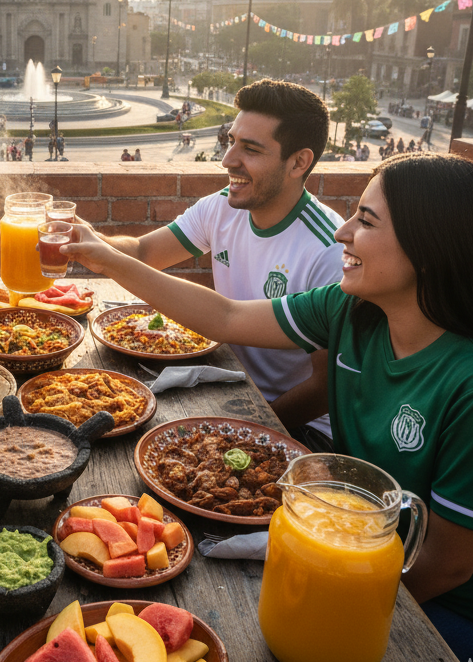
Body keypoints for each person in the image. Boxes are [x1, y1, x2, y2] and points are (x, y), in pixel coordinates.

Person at [66, 152, 473, 657]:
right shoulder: (350, 308)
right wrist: (107, 259)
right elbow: (226, 317)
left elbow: (449, 564)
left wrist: (339, 602)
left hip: (428, 603)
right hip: (331, 543)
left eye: (365, 221)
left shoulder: (465, 383)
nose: (342, 232)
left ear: (429, 248)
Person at [86, 79, 342, 445]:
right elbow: (143, 253)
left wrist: (244, 430)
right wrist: (86, 236)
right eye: (231, 141)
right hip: (229, 383)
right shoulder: (222, 206)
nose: (227, 159)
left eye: (250, 149)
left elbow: (325, 389)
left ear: (298, 162)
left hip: (298, 425)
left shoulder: (329, 249)